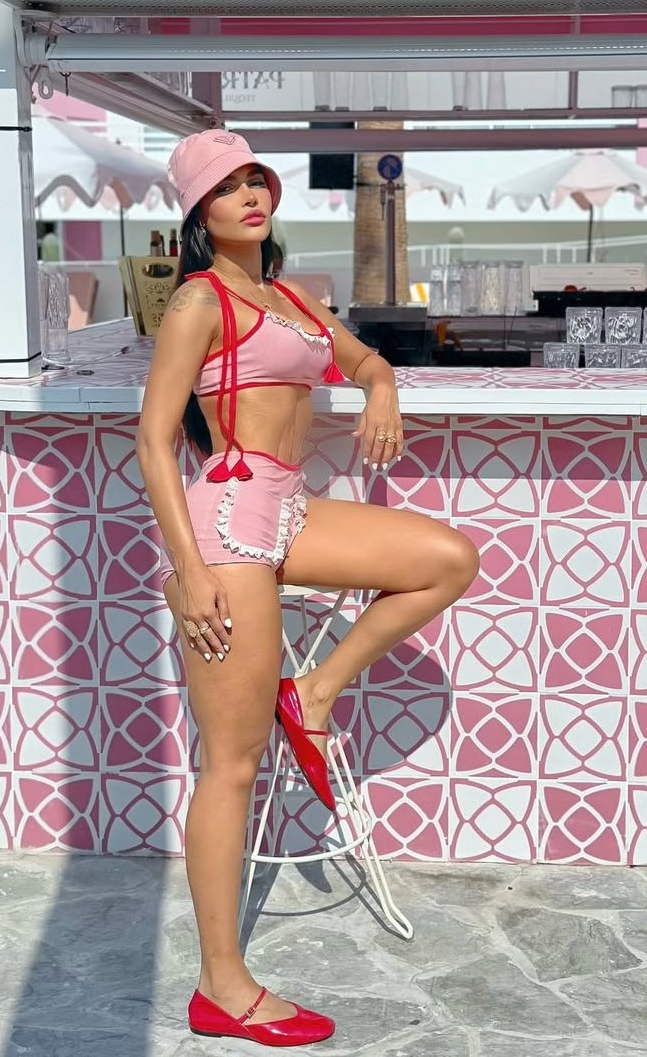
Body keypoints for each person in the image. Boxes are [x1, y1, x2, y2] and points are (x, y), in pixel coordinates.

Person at [136, 130, 479, 1047]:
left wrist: (381, 387)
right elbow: (154, 441)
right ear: (199, 212)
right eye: (227, 188)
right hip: (227, 526)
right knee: (233, 764)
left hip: (290, 509)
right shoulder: (199, 301)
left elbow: (361, 359)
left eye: (257, 180)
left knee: (445, 560)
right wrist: (187, 569)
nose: (250, 196)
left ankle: (314, 691)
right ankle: (221, 987)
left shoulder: (287, 295)